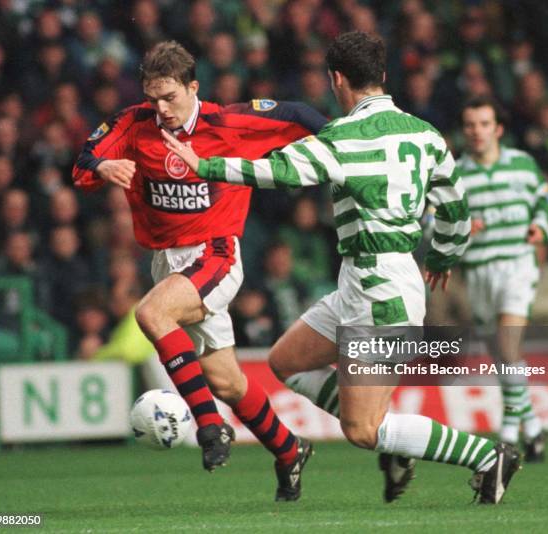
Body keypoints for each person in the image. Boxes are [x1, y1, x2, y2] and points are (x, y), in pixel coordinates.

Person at [164, 31, 521, 505]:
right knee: (285, 361)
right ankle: (396, 436)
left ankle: (486, 456)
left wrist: (205, 166)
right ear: (383, 76)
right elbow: (455, 210)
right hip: (367, 282)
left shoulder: (341, 138)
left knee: (362, 430)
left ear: (336, 80)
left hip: (381, 293)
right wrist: (443, 256)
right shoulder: (426, 134)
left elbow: (277, 171)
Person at [72, 40, 327, 500]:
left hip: (216, 253)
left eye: (170, 97)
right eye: (153, 98)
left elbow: (295, 112)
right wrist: (105, 165)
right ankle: (289, 449)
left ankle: (210, 428)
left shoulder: (226, 122)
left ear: (193, 87)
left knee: (151, 315)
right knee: (228, 382)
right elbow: (84, 161)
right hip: (167, 262)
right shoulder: (133, 123)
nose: (161, 108)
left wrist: (344, 142)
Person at [456, 95, 548, 461]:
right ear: (464, 130)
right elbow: (432, 219)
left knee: (509, 345)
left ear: (497, 128)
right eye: (470, 125)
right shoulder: (455, 174)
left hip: (516, 264)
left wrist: (540, 226)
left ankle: (508, 434)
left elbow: (544, 201)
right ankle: (533, 427)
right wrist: (461, 226)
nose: (477, 131)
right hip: (479, 272)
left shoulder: (523, 165)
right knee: (502, 357)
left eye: (484, 124)